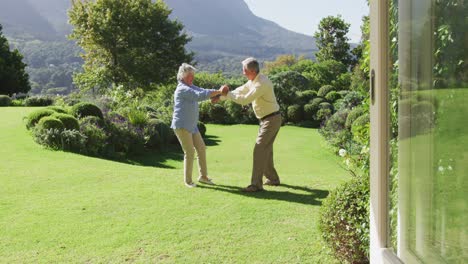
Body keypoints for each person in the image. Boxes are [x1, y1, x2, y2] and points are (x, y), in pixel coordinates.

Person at [222, 57, 282, 192]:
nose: (243, 73)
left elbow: (244, 100)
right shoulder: (253, 81)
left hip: (271, 119)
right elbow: (240, 91)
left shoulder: (262, 83)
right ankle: (273, 179)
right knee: (265, 151)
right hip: (267, 119)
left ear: (252, 71)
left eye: (244, 70)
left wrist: (227, 94)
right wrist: (221, 95)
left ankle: (256, 185)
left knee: (259, 149)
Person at [171, 63, 227, 188]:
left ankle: (203, 176)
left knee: (201, 148)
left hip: (192, 125)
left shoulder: (190, 86)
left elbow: (202, 91)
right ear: (183, 76)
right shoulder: (182, 89)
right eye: (190, 76)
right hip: (182, 125)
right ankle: (188, 181)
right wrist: (218, 91)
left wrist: (217, 94)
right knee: (189, 152)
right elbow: (199, 96)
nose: (192, 78)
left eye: (193, 76)